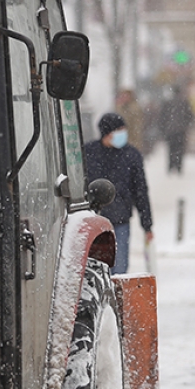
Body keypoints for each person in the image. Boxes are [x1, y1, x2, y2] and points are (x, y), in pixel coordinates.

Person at [83, 112, 154, 274]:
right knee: (96, 271)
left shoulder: (131, 155)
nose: (123, 134)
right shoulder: (88, 153)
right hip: (95, 223)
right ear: (108, 133)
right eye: (119, 130)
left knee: (120, 270)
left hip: (120, 220)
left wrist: (147, 224)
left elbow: (140, 191)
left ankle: (118, 299)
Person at [158, 85, 195, 175]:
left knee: (171, 149)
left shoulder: (167, 103)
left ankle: (171, 166)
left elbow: (162, 117)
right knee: (180, 149)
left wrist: (163, 129)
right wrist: (187, 125)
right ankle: (178, 166)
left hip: (170, 131)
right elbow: (190, 116)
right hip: (181, 131)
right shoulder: (185, 102)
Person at [115, 88, 147, 153]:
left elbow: (136, 126)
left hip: (132, 140)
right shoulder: (120, 107)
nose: (123, 97)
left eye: (125, 95)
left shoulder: (135, 108)